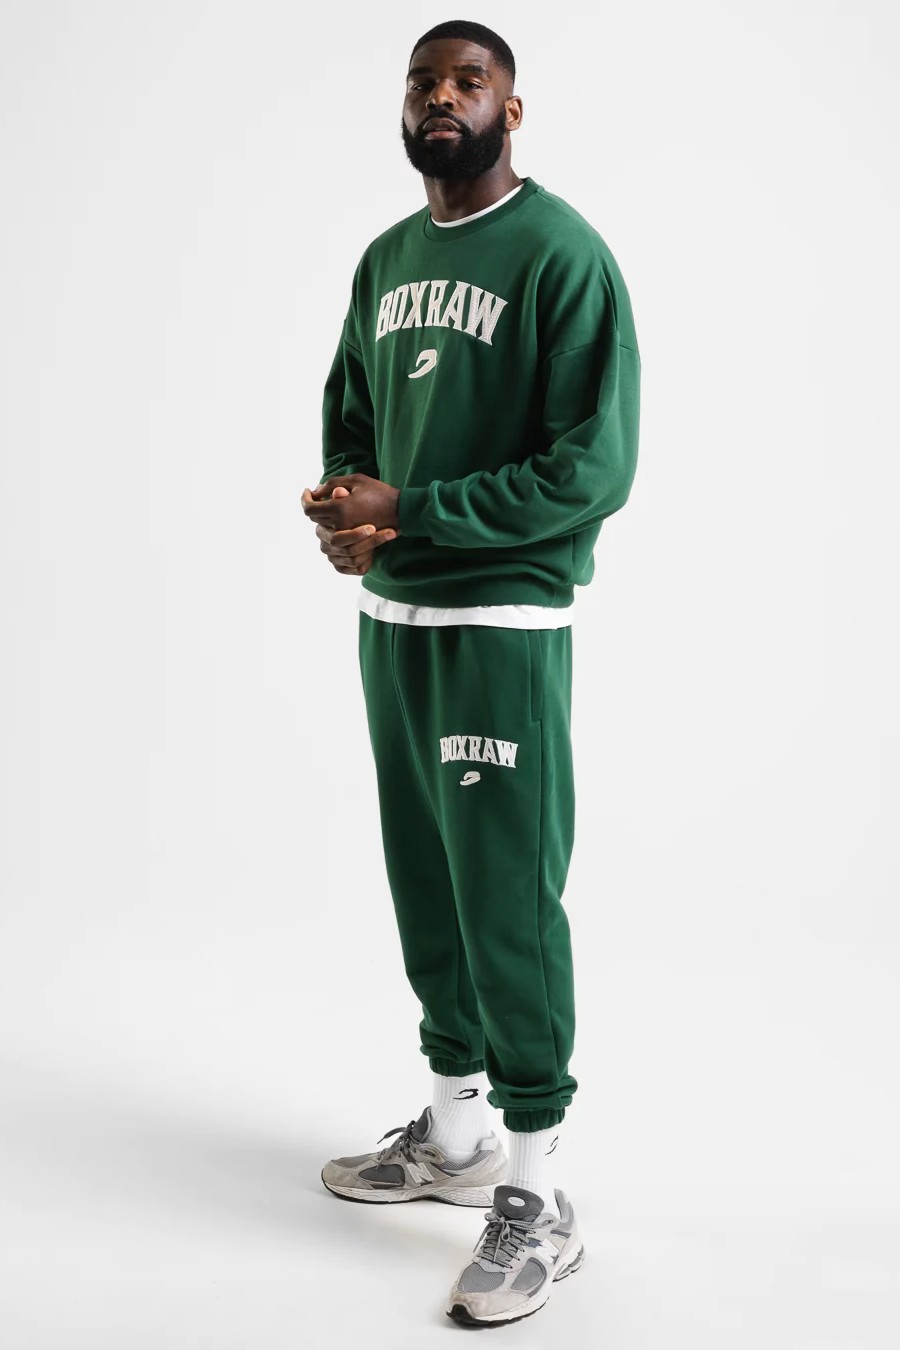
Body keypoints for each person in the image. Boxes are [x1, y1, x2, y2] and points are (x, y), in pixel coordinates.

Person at [301, 18, 640, 1328]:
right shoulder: (387, 258)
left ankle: (539, 1192)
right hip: (396, 620)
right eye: (423, 82)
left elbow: (591, 470)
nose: (443, 97)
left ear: (512, 109)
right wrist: (348, 512)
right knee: (427, 882)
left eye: (470, 81)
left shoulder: (561, 253)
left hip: (502, 623)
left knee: (506, 894)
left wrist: (417, 510)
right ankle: (455, 1134)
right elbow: (351, 416)